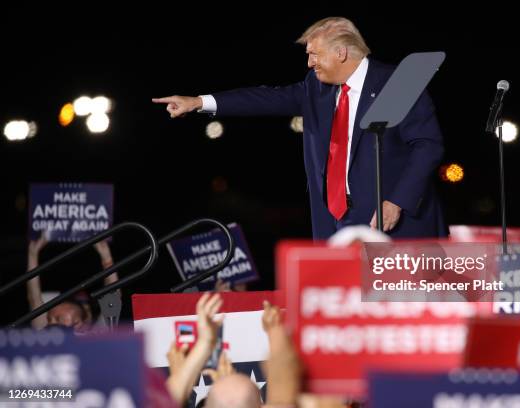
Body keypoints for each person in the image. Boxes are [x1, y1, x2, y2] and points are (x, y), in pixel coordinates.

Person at [153, 17, 447, 240]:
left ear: (341, 52)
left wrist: (396, 201)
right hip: (336, 227)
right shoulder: (316, 89)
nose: (310, 63)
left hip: (393, 225)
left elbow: (427, 145)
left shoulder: (397, 82)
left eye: (314, 54)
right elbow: (265, 98)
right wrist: (198, 102)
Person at [26, 234, 119, 331]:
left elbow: (112, 298)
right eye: (49, 319)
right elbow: (34, 299)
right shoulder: (46, 336)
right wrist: (33, 253)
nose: (51, 323)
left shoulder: (96, 336)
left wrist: (106, 256)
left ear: (79, 323)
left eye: (58, 319)